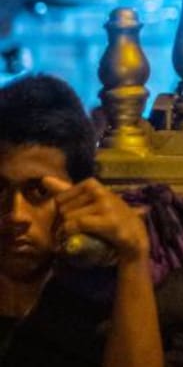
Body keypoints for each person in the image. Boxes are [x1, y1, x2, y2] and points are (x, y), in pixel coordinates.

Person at [0, 75, 163, 367]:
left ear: (82, 195)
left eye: (39, 192)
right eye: (0, 190)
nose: (16, 215)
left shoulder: (98, 301)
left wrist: (134, 256)